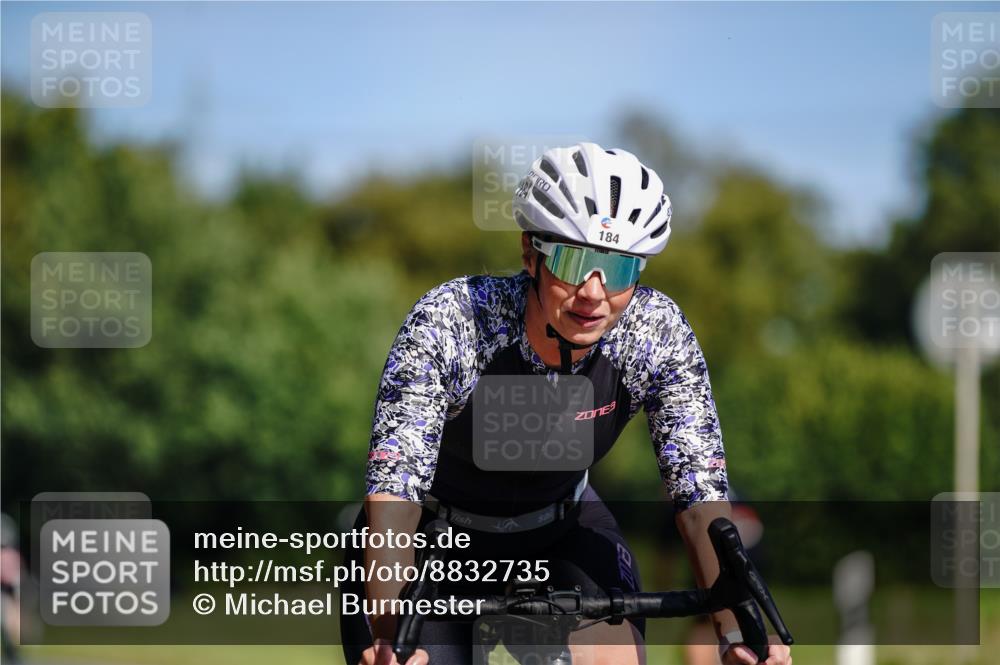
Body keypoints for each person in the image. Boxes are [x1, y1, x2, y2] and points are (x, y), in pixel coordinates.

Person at [341, 143, 792, 665]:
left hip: (562, 531)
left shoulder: (655, 332)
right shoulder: (455, 321)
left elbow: (699, 499)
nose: (594, 293)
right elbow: (395, 488)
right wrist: (386, 630)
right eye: (575, 261)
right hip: (432, 542)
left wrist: (737, 633)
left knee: (611, 658)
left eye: (619, 269)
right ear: (530, 252)